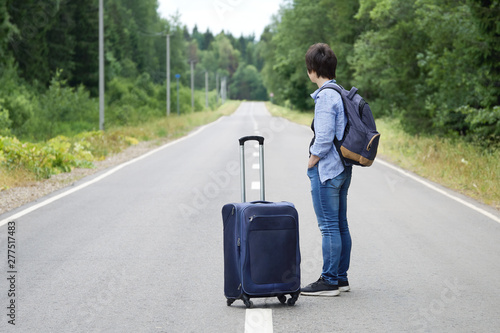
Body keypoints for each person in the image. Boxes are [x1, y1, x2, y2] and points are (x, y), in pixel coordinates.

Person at [301, 43, 353, 297]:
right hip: (343, 168)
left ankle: (329, 280)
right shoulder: (341, 92)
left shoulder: (324, 96)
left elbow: (323, 136)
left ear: (313, 70)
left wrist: (313, 159)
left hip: (327, 169)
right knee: (340, 224)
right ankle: (341, 278)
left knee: (329, 227)